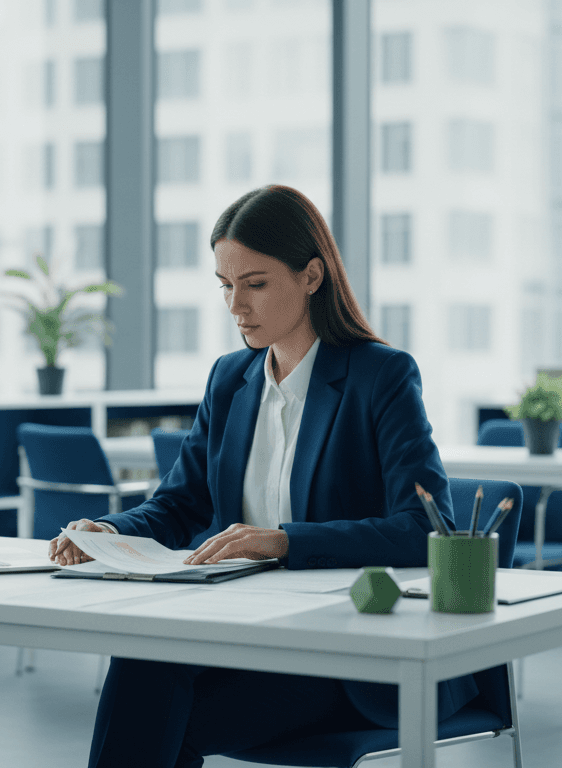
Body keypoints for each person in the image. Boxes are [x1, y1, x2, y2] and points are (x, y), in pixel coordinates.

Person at [48, 185, 475, 768]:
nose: (235, 306)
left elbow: (427, 530)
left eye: (255, 283)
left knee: (160, 721)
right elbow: (180, 503)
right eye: (225, 285)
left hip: (348, 654)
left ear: (312, 276)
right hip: (244, 631)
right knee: (145, 658)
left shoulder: (383, 376)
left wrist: (283, 541)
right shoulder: (230, 379)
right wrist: (107, 531)